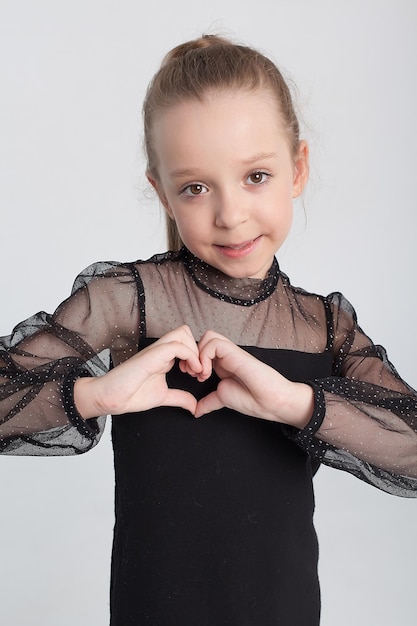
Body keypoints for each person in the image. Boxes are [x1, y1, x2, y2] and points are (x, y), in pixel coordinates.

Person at [1, 34, 416, 625]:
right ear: (162, 193)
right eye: (196, 187)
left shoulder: (323, 326)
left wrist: (298, 404)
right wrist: (97, 394)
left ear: (297, 169)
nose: (230, 213)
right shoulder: (129, 302)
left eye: (256, 176)